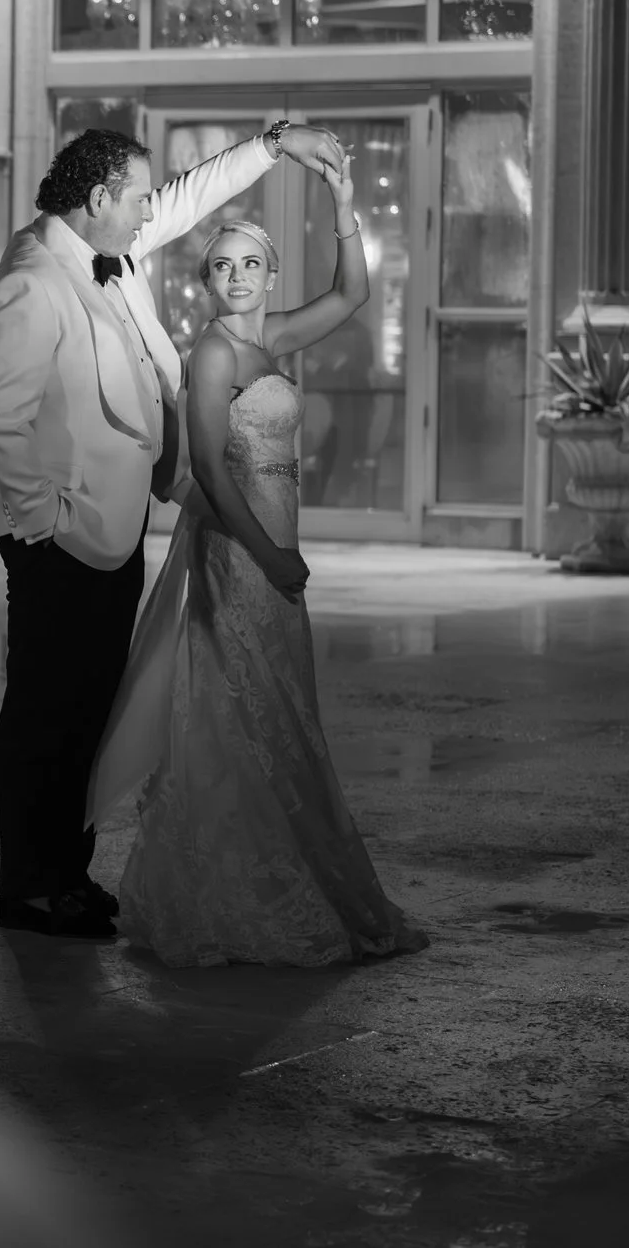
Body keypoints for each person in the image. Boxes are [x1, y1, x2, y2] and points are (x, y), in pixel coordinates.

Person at [0, 117, 345, 940]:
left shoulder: (114, 246)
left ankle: (69, 874)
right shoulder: (33, 278)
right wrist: (48, 523)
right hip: (58, 535)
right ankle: (29, 889)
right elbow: (0, 420)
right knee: (45, 710)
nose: (152, 210)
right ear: (98, 196)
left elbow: (189, 195)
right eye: (138, 197)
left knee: (90, 706)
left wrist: (273, 145)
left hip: (115, 524)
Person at [88, 159, 430, 968]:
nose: (237, 277)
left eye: (250, 264)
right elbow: (208, 468)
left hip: (277, 550)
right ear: (206, 280)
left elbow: (352, 294)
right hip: (240, 553)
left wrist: (343, 201)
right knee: (241, 713)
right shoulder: (213, 354)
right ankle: (233, 896)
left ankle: (294, 874)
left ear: (271, 274)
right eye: (221, 266)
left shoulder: (270, 338)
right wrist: (270, 555)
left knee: (283, 715)